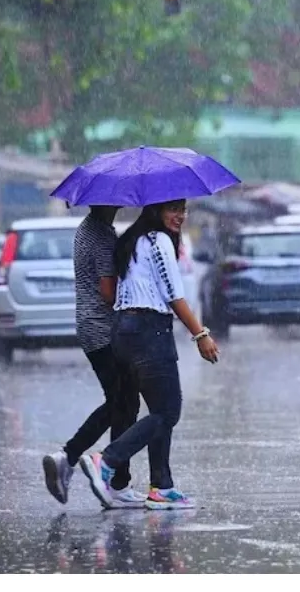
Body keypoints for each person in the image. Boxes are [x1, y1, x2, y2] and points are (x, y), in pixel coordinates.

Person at [79, 199, 219, 511]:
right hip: (148, 331)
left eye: (183, 209)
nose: (180, 216)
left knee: (158, 410)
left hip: (123, 332)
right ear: (155, 211)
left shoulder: (133, 239)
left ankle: (162, 486)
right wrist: (201, 334)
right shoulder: (158, 242)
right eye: (173, 209)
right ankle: (107, 460)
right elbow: (173, 293)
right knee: (168, 411)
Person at [41, 205, 145, 509]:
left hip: (90, 327)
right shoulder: (101, 236)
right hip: (103, 329)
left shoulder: (88, 229)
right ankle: (111, 479)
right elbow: (108, 292)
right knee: (124, 401)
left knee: (121, 400)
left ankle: (79, 462)